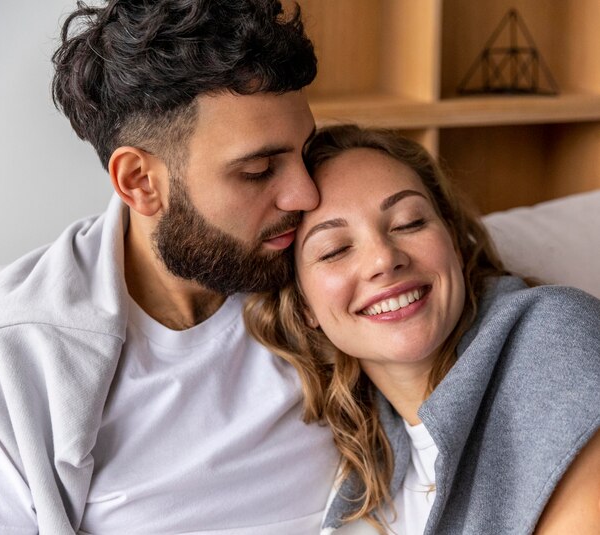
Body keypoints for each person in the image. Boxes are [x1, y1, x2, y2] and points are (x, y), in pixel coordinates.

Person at [0, 1, 340, 533]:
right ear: (140, 182)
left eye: (305, 154)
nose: (306, 194)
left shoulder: (331, 273)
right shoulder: (9, 364)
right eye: (258, 171)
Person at [245, 124, 600, 534]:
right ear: (305, 305)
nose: (383, 259)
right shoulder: (364, 480)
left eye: (409, 223)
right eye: (336, 249)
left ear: (452, 236)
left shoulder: (556, 340)